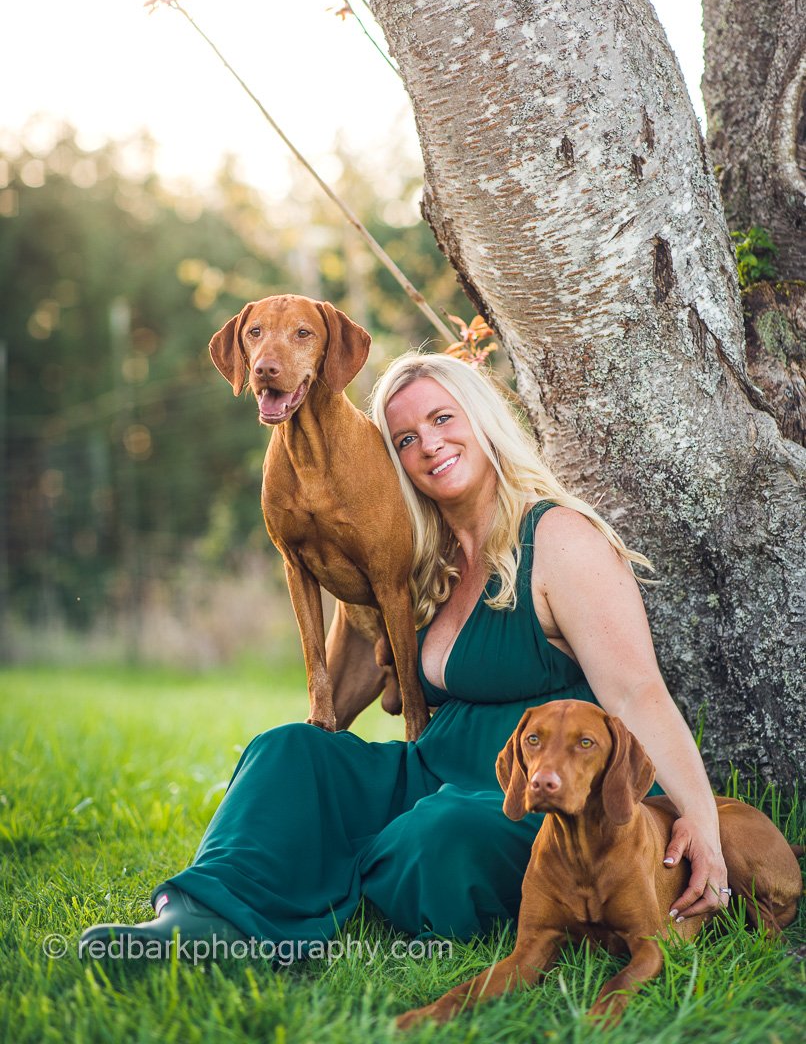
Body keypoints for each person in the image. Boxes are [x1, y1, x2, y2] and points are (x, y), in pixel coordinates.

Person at [80, 352, 729, 957]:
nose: (429, 445)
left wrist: (704, 830)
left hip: (536, 798)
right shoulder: (421, 557)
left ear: (483, 420)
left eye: (443, 419)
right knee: (288, 753)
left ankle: (324, 891)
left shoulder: (558, 539)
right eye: (406, 439)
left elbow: (636, 694)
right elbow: (339, 699)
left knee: (435, 836)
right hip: (432, 772)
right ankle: (195, 921)